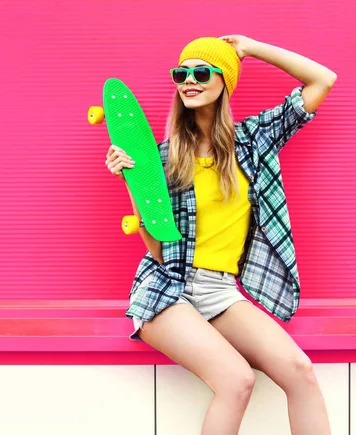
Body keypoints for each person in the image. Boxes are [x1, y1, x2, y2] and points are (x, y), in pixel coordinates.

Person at [105, 35, 337, 435]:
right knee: (236, 380)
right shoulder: (163, 155)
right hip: (168, 287)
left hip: (221, 290)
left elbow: (323, 80)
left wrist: (250, 48)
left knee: (300, 371)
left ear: (224, 80)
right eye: (181, 74)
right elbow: (158, 248)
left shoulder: (253, 141)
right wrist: (132, 181)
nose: (189, 81)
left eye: (201, 72)